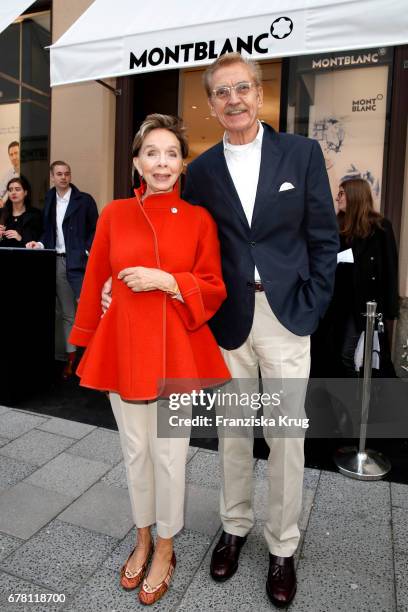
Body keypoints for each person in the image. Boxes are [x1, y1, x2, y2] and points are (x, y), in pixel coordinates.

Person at [102, 53, 339, 607]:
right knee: (232, 433)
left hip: (286, 318)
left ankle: (282, 545)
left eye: (242, 89)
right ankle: (233, 528)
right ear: (211, 104)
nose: (233, 100)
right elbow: (171, 232)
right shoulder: (201, 170)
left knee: (284, 436)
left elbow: (323, 237)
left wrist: (315, 301)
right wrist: (117, 277)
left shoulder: (301, 154)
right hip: (224, 320)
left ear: (259, 93)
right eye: (222, 93)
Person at [70, 114, 229, 605]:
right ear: (137, 161)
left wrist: (166, 281)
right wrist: (87, 332)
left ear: (183, 164)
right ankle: (141, 537)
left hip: (174, 353)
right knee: (135, 451)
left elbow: (214, 287)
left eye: (172, 154)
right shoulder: (114, 214)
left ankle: (165, 546)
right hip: (122, 349)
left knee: (170, 454)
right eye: (152, 153)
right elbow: (97, 274)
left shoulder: (200, 219)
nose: (162, 162)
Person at [318, 178, 398, 377]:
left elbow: (389, 268)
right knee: (333, 355)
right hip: (337, 305)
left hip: (365, 306)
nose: (338, 198)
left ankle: (356, 402)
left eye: (342, 193)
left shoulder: (380, 227)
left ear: (355, 195)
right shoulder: (335, 226)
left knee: (355, 356)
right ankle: (346, 402)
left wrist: (389, 309)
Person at [26, 161, 98, 379]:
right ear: (52, 177)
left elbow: (96, 229)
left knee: (91, 313)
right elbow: (49, 232)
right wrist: (38, 244)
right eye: (59, 174)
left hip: (80, 264)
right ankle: (71, 361)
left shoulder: (84, 200)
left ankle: (96, 363)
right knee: (68, 314)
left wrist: (87, 251)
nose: (64, 177)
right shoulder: (49, 199)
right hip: (57, 262)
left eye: (67, 173)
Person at [0, 177, 42, 247]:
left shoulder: (35, 215)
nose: (13, 192)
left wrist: (20, 238)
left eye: (17, 189)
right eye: (10, 190)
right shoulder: (1, 213)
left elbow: (37, 242)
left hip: (25, 256)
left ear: (25, 192)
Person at [0, 141, 20, 206]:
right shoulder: (8, 175)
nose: (14, 157)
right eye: (11, 155)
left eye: (16, 153)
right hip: (12, 209)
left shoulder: (29, 171)